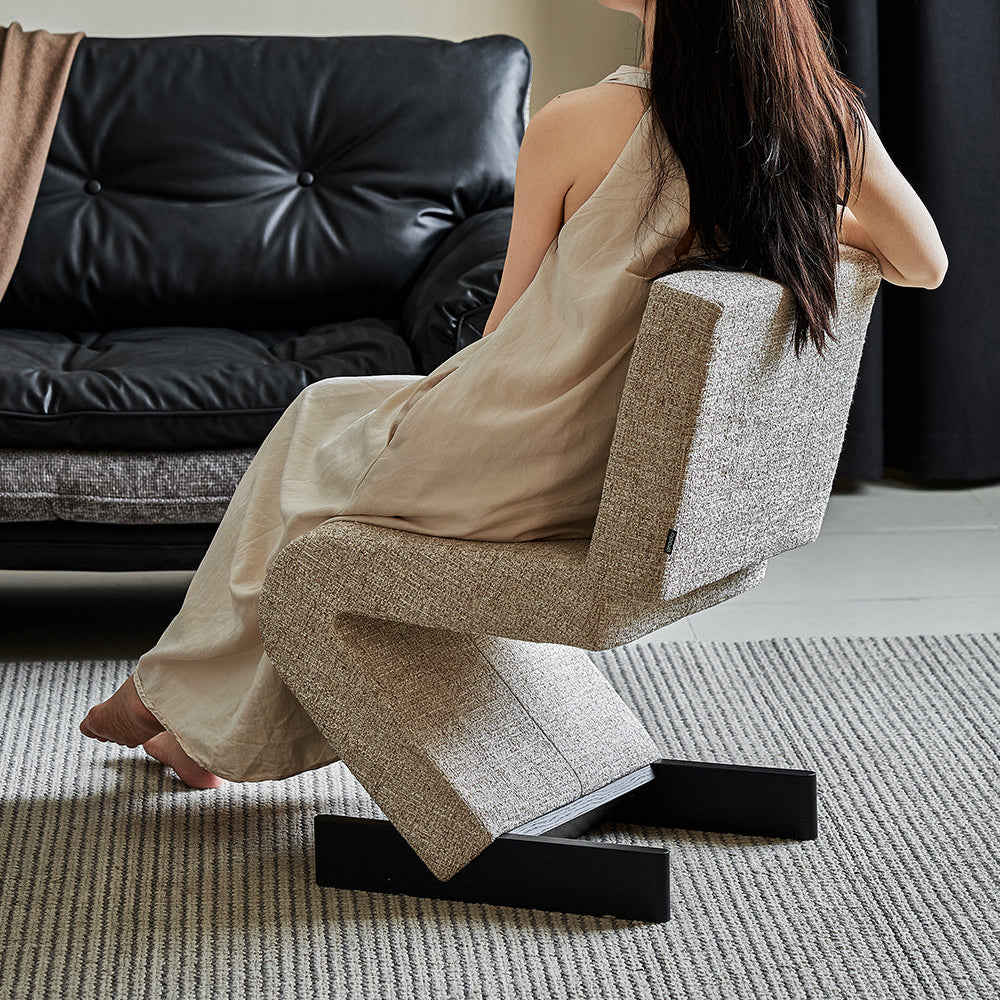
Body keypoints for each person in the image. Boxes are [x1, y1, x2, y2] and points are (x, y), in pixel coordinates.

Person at [79, 0, 948, 788]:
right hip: (621, 480)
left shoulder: (577, 124)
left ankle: (167, 702)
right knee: (323, 479)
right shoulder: (826, 121)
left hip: (510, 452)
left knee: (314, 432)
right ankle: (182, 725)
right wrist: (768, 212)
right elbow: (923, 264)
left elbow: (504, 330)